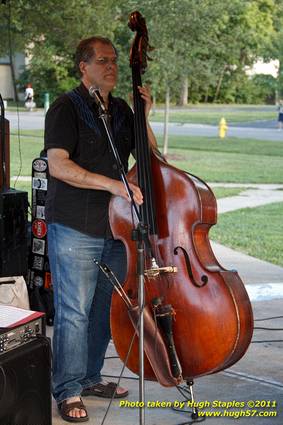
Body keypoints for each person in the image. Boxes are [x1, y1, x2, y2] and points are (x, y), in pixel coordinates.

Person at [44, 36, 157, 422]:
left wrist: (145, 117)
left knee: (103, 311)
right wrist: (112, 185)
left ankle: (91, 377)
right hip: (75, 225)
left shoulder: (122, 109)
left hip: (116, 229)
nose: (111, 67)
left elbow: (150, 158)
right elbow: (57, 165)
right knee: (73, 312)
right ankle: (68, 389)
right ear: (84, 66)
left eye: (114, 62)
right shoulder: (65, 107)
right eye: (103, 60)